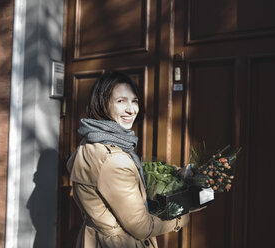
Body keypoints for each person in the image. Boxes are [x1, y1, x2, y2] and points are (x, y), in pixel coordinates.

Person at [66, 71, 190, 248]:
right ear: (102, 104)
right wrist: (181, 218)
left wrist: (174, 175)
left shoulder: (91, 140)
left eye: (134, 101)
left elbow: (116, 182)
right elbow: (141, 227)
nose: (131, 110)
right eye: (120, 101)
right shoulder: (113, 159)